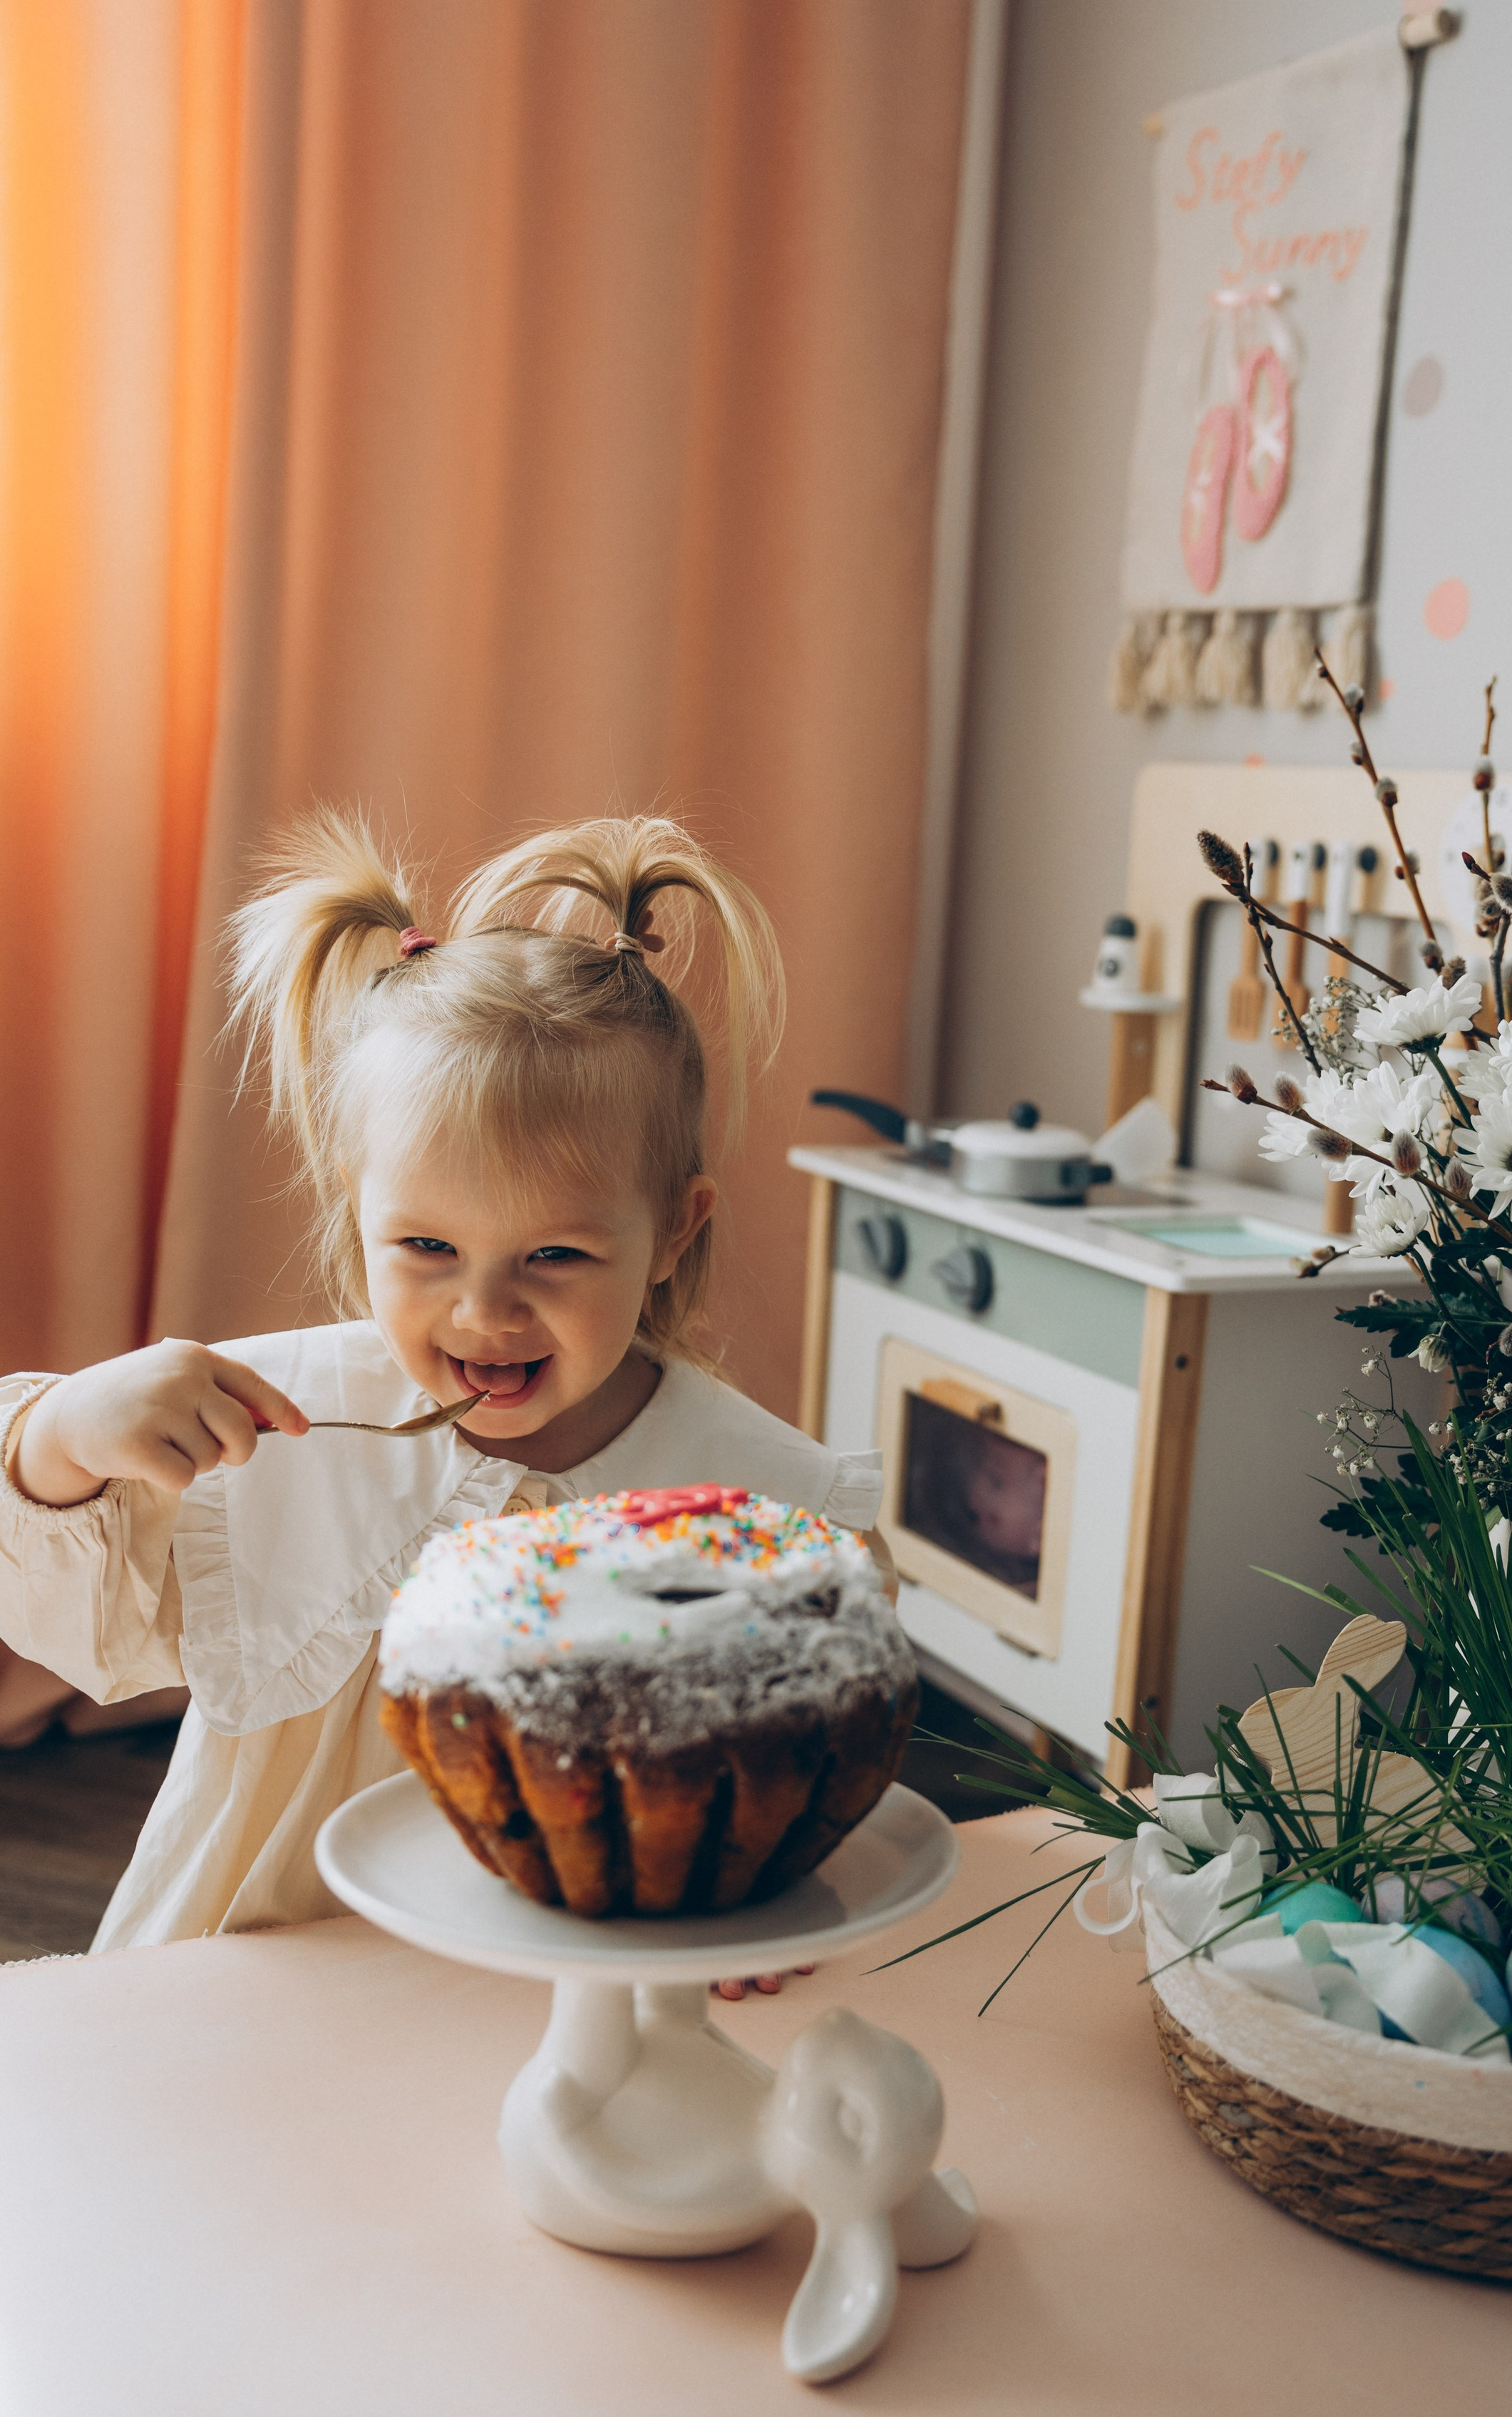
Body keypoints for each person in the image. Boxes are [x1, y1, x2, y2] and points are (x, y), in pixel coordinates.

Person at [0, 811, 883, 1973]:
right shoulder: (276, 1420)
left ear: (673, 1231)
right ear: (355, 1208)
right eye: (424, 1246)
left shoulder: (764, 1507)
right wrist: (60, 1438)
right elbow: (88, 1623)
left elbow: (804, 1767)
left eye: (556, 1257)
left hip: (577, 1995)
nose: (486, 1313)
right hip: (268, 1969)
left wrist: (759, 1903)